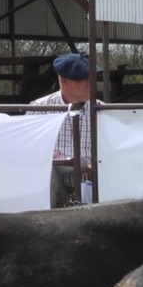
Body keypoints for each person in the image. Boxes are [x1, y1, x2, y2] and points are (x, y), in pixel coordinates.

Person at [30, 53, 96, 204]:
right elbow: (28, 152)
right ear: (63, 80)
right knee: (46, 172)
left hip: (93, 183)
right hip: (54, 185)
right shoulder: (39, 108)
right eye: (82, 79)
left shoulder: (101, 110)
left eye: (91, 78)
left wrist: (96, 166)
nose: (89, 83)